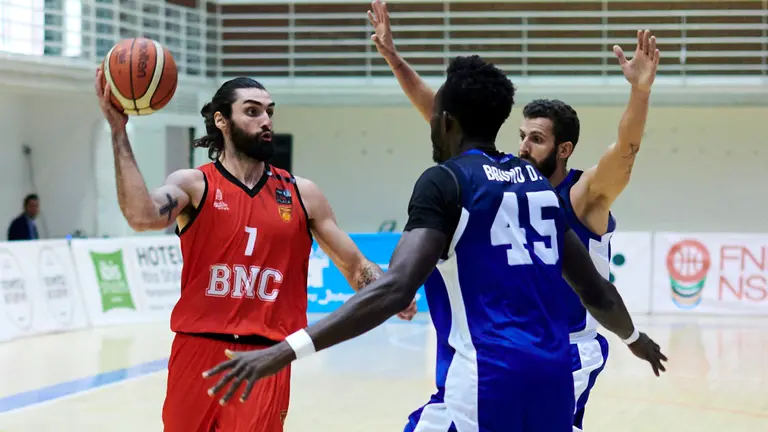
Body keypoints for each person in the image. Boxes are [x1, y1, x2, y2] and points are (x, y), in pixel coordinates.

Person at [202, 55, 667, 432]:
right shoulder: (535, 185)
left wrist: (285, 351)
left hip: (488, 376)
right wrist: (634, 338)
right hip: (553, 377)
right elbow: (596, 290)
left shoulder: (445, 181)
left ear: (445, 122)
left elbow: (395, 289)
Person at [367, 2, 660, 428]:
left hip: (567, 348)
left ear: (564, 149)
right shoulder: (510, 179)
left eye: (536, 139)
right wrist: (395, 60)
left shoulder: (584, 195)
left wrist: (640, 93)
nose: (522, 147)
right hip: (508, 348)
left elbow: (625, 152)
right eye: (521, 136)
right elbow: (442, 115)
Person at [93, 71, 416, 432]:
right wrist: (119, 132)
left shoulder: (301, 194)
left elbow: (355, 267)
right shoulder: (195, 185)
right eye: (252, 111)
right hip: (196, 350)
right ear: (222, 120)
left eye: (269, 112)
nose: (265, 120)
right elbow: (141, 216)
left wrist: (389, 291)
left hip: (266, 357)